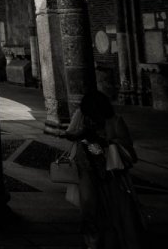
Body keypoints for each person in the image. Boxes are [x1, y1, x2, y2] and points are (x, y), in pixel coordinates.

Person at [62, 89, 146, 249]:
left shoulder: (114, 121)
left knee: (117, 208)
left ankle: (115, 240)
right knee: (90, 207)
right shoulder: (81, 116)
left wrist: (105, 141)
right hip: (87, 169)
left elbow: (127, 147)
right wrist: (81, 134)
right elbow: (70, 133)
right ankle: (93, 241)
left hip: (111, 172)